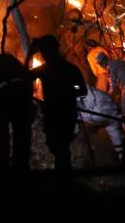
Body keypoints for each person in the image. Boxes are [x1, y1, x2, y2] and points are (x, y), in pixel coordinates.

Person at [28, 35, 86, 177]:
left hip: (58, 114)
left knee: (59, 147)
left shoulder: (48, 69)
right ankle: (64, 175)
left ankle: (63, 177)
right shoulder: (70, 68)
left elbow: (81, 89)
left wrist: (29, 54)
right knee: (60, 147)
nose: (43, 55)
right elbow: (81, 89)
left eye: (44, 52)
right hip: (63, 113)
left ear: (49, 51)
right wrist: (72, 90)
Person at [0, 41, 36, 170]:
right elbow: (27, 76)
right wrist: (28, 96)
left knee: (0, 136)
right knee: (22, 136)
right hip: (22, 98)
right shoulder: (7, 58)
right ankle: (21, 168)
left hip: (1, 102)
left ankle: (1, 166)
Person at [76, 84, 125, 163]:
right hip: (114, 112)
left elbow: (88, 102)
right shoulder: (93, 90)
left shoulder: (83, 89)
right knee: (117, 139)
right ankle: (123, 158)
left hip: (100, 112)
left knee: (74, 114)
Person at [95, 52, 125, 123]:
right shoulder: (120, 61)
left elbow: (113, 87)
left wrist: (106, 96)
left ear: (102, 63)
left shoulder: (110, 69)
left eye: (100, 64)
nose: (101, 66)